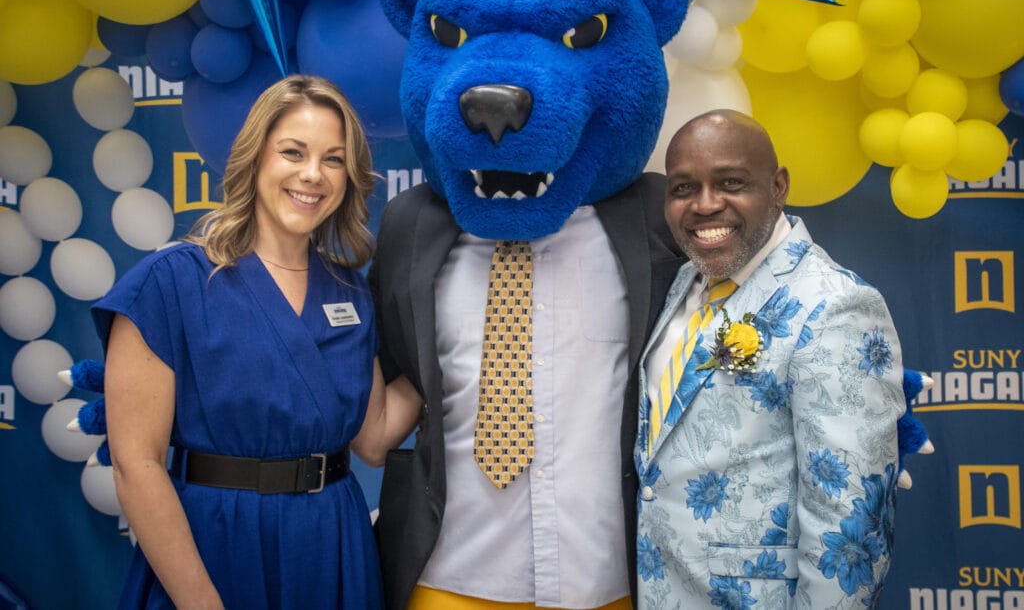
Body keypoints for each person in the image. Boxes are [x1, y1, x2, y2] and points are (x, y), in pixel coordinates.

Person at [94, 75, 422, 609]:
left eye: (333, 160)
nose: (312, 174)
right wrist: (201, 602)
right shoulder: (170, 282)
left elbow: (374, 439)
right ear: (255, 158)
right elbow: (138, 464)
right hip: (218, 545)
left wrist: (450, 353)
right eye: (293, 152)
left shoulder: (349, 292)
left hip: (332, 544)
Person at [370, 171, 686, 609]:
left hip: (602, 575)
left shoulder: (651, 210)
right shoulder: (413, 220)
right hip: (448, 569)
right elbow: (394, 365)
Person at [635, 109, 905, 608]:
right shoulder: (685, 280)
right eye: (683, 188)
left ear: (778, 186)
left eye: (731, 182)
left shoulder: (836, 305)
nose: (705, 204)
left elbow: (850, 523)